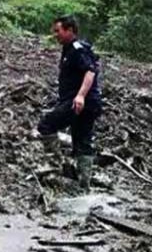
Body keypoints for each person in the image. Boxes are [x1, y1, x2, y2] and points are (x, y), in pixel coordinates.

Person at [36, 15, 102, 191]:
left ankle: (55, 165)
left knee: (46, 125)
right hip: (86, 102)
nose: (55, 34)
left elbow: (90, 71)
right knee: (82, 140)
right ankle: (83, 185)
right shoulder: (68, 49)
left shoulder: (77, 49)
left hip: (81, 102)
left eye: (58, 31)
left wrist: (80, 96)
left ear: (70, 30)